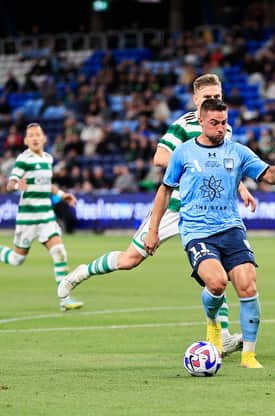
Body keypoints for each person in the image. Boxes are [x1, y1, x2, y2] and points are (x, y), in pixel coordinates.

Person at [57, 74, 255, 356]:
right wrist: (190, 160)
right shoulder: (183, 125)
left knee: (218, 272)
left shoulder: (225, 128)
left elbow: (223, 165)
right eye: (208, 97)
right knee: (129, 260)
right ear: (197, 100)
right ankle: (81, 273)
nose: (214, 101)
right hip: (174, 209)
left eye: (218, 96)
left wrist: (241, 187)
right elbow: (160, 157)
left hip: (207, 214)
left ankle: (221, 335)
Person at [143, 99, 275, 369]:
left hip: (231, 227)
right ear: (200, 122)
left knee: (248, 284)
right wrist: (152, 231)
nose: (220, 128)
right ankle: (213, 324)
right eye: (214, 123)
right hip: (197, 231)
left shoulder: (238, 152)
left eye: (224, 123)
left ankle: (249, 355)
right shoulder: (183, 153)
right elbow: (164, 191)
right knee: (217, 283)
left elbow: (270, 177)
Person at [0, 123, 83, 311]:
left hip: (46, 216)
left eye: (38, 134)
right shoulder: (23, 159)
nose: (35, 138)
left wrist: (63, 195)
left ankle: (64, 299)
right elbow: (10, 183)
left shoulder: (48, 158)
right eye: (31, 135)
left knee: (59, 251)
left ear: (44, 138)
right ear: (26, 141)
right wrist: (16, 186)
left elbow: (47, 185)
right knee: (16, 259)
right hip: (27, 219)